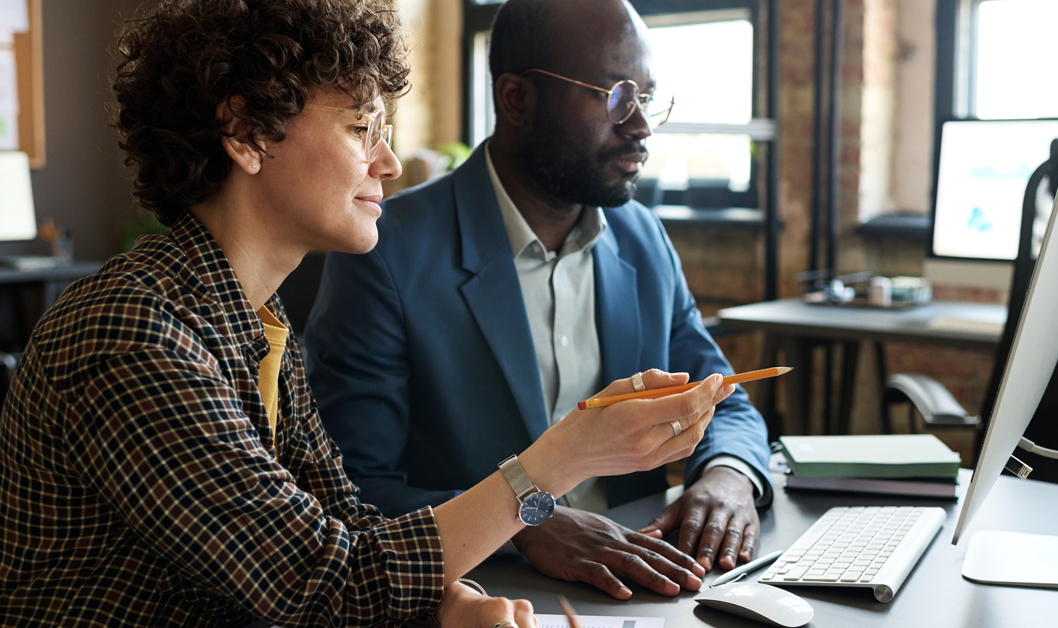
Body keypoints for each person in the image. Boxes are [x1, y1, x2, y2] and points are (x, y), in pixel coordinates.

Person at [0, 1, 733, 626]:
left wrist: (444, 605)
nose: (386, 162)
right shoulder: (132, 331)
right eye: (360, 128)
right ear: (248, 133)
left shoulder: (256, 322)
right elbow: (314, 582)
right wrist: (564, 456)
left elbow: (345, 523)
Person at [305, 0, 773, 601]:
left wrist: (729, 476)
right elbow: (351, 488)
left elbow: (723, 397)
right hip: (485, 593)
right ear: (516, 98)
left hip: (651, 586)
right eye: (614, 96)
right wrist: (528, 523)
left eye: (647, 99)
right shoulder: (385, 252)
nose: (640, 126)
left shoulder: (643, 238)